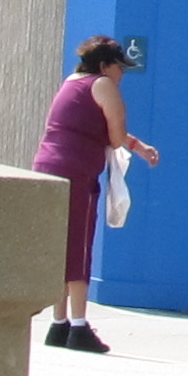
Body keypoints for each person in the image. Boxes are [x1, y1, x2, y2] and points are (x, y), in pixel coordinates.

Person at [33, 38, 155, 354]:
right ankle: (79, 326)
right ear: (104, 66)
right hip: (76, 171)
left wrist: (138, 147)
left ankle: (58, 324)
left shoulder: (71, 83)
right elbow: (114, 137)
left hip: (48, 165)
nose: (122, 75)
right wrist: (126, 130)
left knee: (60, 244)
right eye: (119, 68)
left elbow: (90, 128)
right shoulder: (103, 86)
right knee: (79, 244)